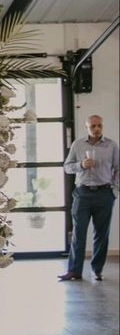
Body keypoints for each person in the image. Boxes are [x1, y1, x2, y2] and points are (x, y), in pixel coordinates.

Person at [60, 114, 119, 282]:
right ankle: (74, 271)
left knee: (101, 234)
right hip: (83, 193)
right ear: (87, 127)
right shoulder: (78, 145)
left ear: (102, 126)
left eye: (99, 125)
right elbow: (67, 167)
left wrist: (114, 191)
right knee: (78, 233)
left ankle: (97, 270)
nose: (97, 129)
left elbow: (118, 168)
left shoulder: (111, 146)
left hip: (104, 194)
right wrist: (81, 165)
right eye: (93, 126)